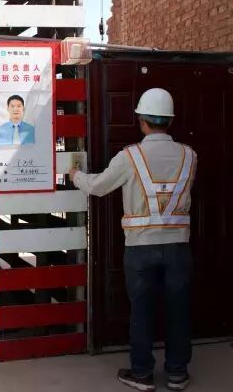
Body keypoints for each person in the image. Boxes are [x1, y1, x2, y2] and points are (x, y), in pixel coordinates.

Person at [69, 88, 197, 392]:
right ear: (170, 120)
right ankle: (177, 374)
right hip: (178, 248)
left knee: (142, 311)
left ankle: (142, 374)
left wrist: (74, 174)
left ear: (141, 120)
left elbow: (98, 186)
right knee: (179, 310)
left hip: (140, 249)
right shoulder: (190, 156)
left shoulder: (130, 157)